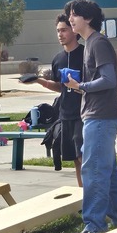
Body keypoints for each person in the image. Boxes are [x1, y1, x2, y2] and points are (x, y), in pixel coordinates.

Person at [63, 0, 117, 233]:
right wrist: (79, 86)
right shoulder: (90, 43)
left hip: (101, 117)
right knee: (108, 172)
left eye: (74, 15)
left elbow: (110, 80)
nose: (70, 19)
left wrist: (81, 85)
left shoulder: (98, 43)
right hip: (98, 115)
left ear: (89, 18)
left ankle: (94, 225)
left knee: (92, 170)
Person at [36, 13, 85, 186]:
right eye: (58, 31)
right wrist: (41, 82)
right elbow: (60, 86)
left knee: (83, 156)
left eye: (64, 30)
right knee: (75, 160)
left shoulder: (86, 54)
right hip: (66, 114)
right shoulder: (58, 59)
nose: (60, 34)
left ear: (74, 30)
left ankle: (95, 198)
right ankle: (82, 197)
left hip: (84, 114)